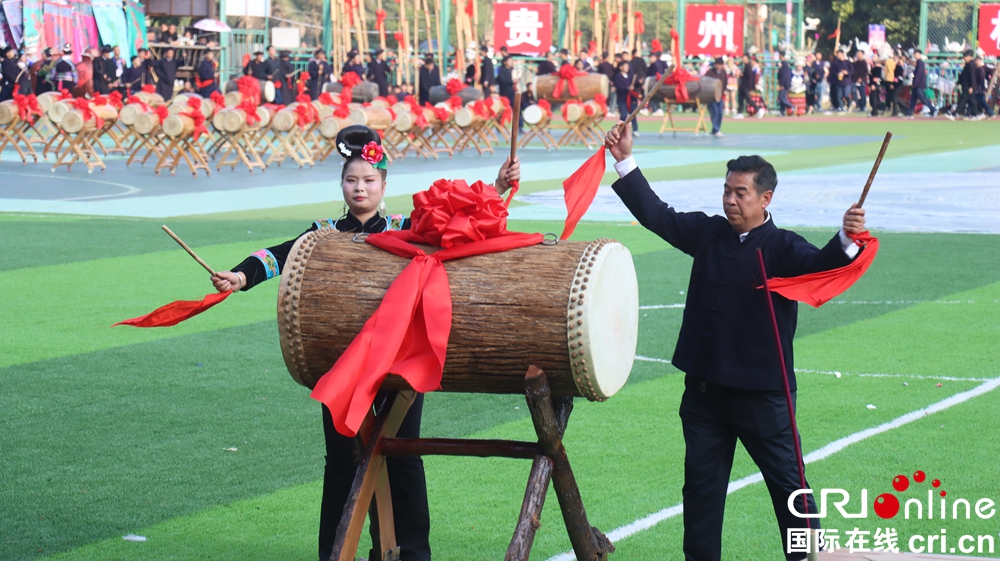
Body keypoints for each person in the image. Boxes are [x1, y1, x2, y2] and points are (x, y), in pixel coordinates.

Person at [210, 124, 521, 561]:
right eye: (352, 180)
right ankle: (336, 552)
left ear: (383, 186)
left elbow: (458, 219)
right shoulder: (321, 234)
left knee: (403, 456)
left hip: (399, 361)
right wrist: (240, 277)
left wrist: (497, 184)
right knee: (340, 461)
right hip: (340, 359)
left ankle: (410, 553)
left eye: (369, 181)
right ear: (341, 184)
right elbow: (277, 255)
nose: (360, 188)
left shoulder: (407, 226)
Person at [604, 122, 867, 561]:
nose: (729, 199)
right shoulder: (708, 233)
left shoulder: (783, 246)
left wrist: (846, 238)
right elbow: (657, 214)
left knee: (791, 493)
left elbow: (821, 264)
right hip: (705, 396)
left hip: (764, 399)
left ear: (766, 199)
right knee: (701, 496)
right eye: (726, 190)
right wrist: (624, 158)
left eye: (740, 192)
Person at [906, 50, 936, 118]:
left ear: (919, 55)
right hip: (917, 84)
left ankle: (933, 109)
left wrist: (915, 83)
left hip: (919, 84)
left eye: (916, 54)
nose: (915, 55)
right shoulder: (918, 63)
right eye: (914, 54)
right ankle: (909, 113)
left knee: (922, 98)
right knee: (913, 99)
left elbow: (919, 75)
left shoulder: (921, 63)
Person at [612, 60, 638, 136]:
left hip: (630, 99)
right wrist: (627, 88)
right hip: (622, 99)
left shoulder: (630, 76)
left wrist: (638, 82)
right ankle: (621, 129)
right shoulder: (618, 77)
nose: (627, 68)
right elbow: (619, 87)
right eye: (625, 66)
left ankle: (635, 130)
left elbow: (635, 85)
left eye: (628, 66)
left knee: (633, 115)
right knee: (623, 115)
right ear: (620, 67)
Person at [704, 57, 726, 137]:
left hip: (720, 96)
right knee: (714, 112)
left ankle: (715, 129)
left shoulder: (723, 72)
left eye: (720, 65)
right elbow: (705, 81)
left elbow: (725, 82)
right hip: (711, 96)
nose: (718, 66)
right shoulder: (710, 72)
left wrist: (724, 91)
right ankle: (716, 130)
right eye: (717, 64)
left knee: (720, 113)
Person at [776, 51, 793, 116]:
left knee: (781, 97)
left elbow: (784, 75)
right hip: (784, 84)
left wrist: (782, 85)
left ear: (781, 56)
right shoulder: (783, 63)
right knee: (782, 98)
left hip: (784, 84)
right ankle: (782, 112)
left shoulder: (784, 64)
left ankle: (791, 106)